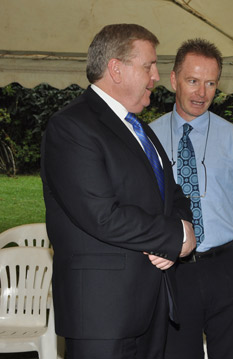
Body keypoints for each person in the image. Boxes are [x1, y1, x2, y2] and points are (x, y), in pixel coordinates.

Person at [40, 24, 196, 359]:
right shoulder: (72, 126)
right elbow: (100, 214)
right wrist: (174, 235)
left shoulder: (140, 129)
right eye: (148, 66)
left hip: (151, 306)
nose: (156, 76)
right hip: (102, 314)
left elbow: (174, 195)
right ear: (116, 68)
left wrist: (184, 230)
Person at [149, 38, 233, 359]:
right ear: (174, 80)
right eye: (193, 81)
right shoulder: (147, 139)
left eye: (211, 83)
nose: (201, 93)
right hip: (171, 271)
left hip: (228, 269)